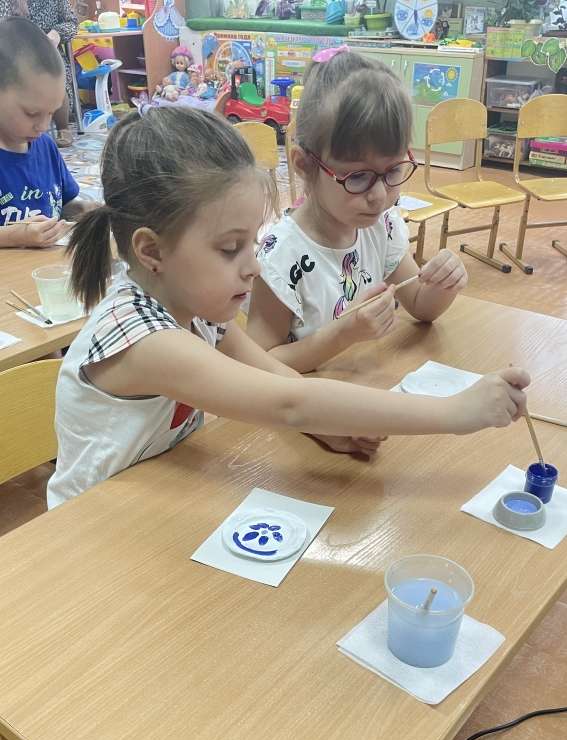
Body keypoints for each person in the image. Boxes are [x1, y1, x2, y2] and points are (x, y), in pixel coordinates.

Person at [47, 105, 529, 508]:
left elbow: (283, 382)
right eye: (230, 248)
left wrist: (328, 427)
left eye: (251, 243)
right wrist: (454, 412)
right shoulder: (145, 340)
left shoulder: (196, 311)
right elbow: (291, 405)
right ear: (152, 251)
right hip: (87, 533)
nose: (253, 266)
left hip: (154, 498)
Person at [247, 48, 468, 374]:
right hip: (307, 401)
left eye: (393, 171)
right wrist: (344, 334)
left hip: (365, 386)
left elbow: (421, 306)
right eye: (358, 177)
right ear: (304, 165)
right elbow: (259, 366)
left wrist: (444, 283)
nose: (378, 196)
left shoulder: (381, 227)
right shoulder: (280, 257)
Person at [0, 17, 90, 248]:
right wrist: (14, 236)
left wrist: (89, 212)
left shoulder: (46, 146)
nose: (43, 126)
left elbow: (63, 206)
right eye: (32, 113)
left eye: (51, 112)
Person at [0, 0, 79, 147]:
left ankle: (63, 128)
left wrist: (56, 33)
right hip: (14, 58)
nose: (43, 126)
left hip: (49, 56)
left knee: (52, 83)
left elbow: (72, 23)